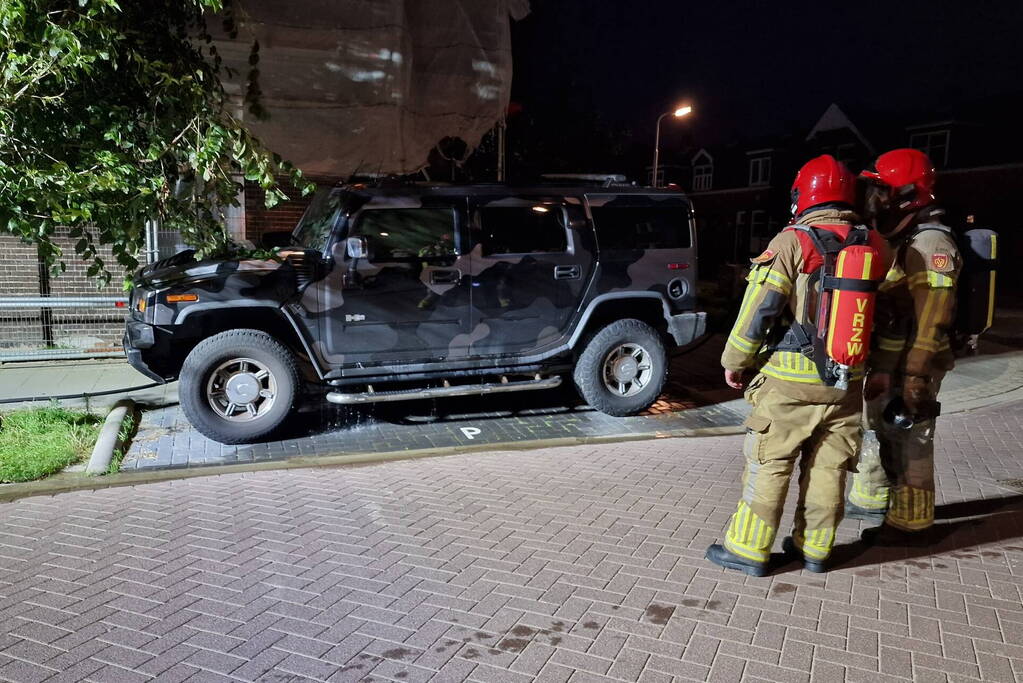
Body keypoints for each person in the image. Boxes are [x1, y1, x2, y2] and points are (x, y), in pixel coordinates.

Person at [706, 155, 888, 576]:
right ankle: (816, 550)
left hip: (790, 380)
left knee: (771, 462)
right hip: (847, 380)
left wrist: (734, 361)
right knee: (830, 466)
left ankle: (748, 550)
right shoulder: (875, 244)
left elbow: (758, 310)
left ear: (803, 194)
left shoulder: (793, 241)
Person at [846, 149, 960, 543]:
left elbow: (934, 317)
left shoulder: (931, 245)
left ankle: (912, 526)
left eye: (882, 190)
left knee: (913, 438)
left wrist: (915, 375)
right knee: (885, 428)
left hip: (919, 364)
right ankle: (873, 499)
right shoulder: (906, 238)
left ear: (907, 194)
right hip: (899, 359)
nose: (875, 199)